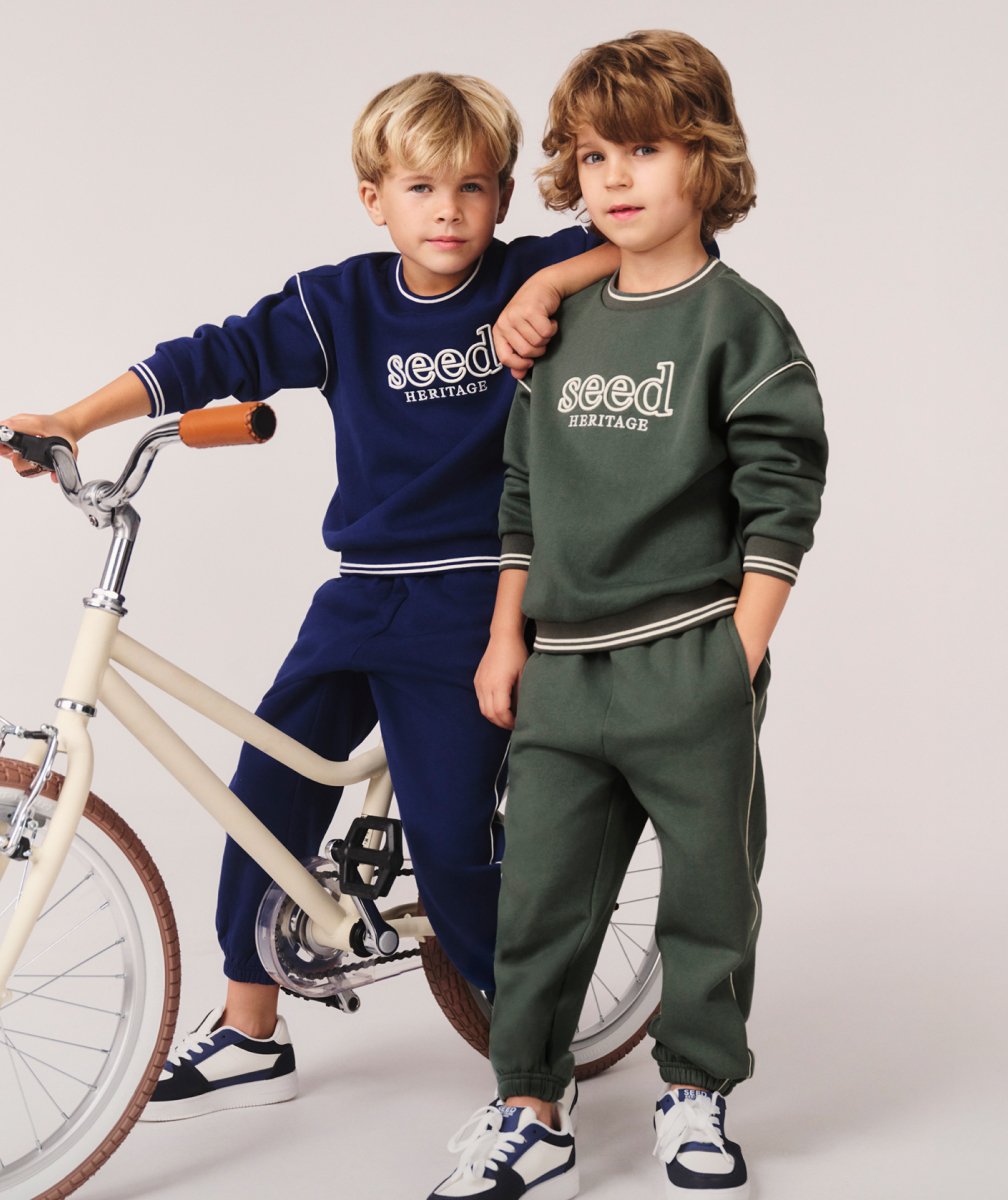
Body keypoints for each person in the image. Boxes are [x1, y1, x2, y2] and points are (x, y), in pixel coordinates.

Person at [0, 71, 619, 1120]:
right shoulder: (343, 304)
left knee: (452, 839)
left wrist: (551, 284)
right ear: (374, 199)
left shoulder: (526, 272)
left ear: (504, 197)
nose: (448, 211)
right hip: (361, 593)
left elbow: (665, 238)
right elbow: (218, 354)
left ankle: (532, 1053)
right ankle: (251, 1031)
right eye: (420, 188)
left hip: (477, 594)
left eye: (472, 188)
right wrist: (73, 419)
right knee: (265, 795)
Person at [427, 31, 828, 1200]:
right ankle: (529, 1112)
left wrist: (735, 656)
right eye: (595, 155)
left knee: (709, 897)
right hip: (562, 671)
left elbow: (782, 497)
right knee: (539, 903)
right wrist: (507, 636)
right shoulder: (557, 324)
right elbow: (523, 492)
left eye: (643, 151)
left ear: (706, 159)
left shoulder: (740, 325)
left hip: (688, 664)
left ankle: (695, 1092)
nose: (614, 178)